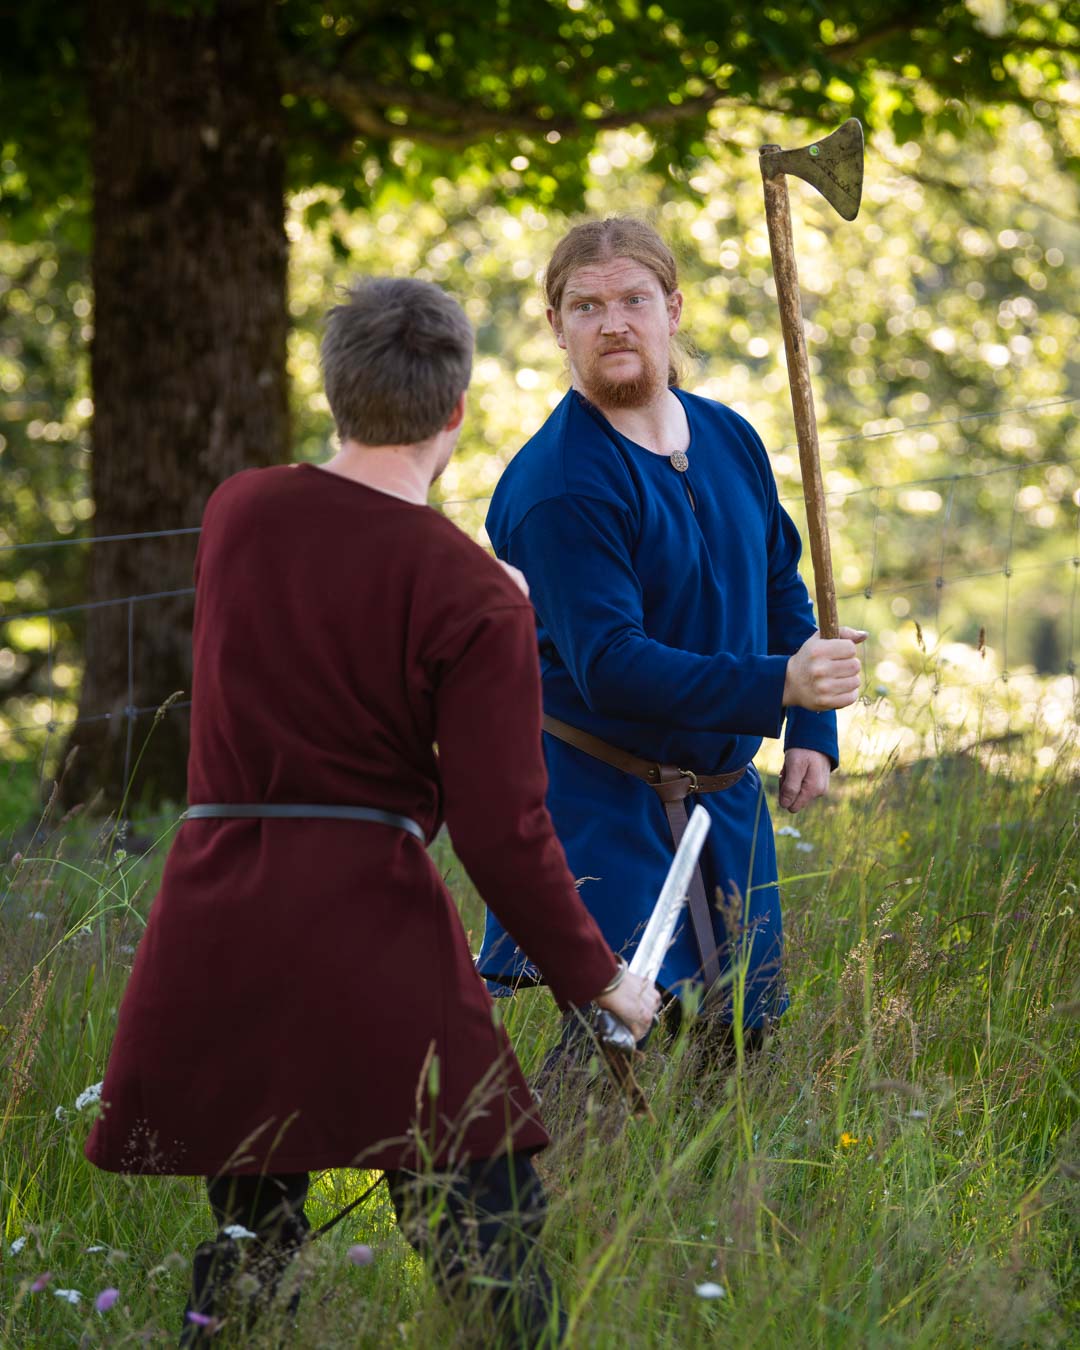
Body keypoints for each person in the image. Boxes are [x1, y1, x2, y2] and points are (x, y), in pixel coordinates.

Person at [84, 276, 659, 1347]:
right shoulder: (477, 593)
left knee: (254, 1224)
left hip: (220, 908)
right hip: (365, 922)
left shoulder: (238, 510)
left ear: (337, 392)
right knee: (490, 1239)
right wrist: (603, 978)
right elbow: (503, 834)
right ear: (458, 408)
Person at [476, 218, 865, 1051]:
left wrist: (812, 727)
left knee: (741, 1052)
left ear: (673, 309)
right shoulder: (559, 486)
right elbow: (612, 667)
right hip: (609, 807)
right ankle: (563, 1182)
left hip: (724, 801)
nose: (612, 322)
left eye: (632, 300)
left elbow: (779, 587)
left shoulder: (728, 436)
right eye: (586, 306)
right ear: (556, 326)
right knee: (623, 1053)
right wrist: (779, 686)